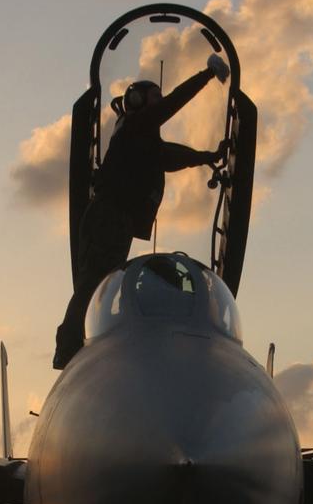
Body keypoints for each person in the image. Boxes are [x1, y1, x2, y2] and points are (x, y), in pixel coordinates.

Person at [53, 53, 231, 369]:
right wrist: (206, 76)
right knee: (95, 283)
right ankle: (69, 350)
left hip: (114, 220)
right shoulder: (135, 127)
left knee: (100, 283)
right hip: (108, 218)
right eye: (154, 98)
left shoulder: (140, 140)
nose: (159, 103)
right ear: (138, 101)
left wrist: (207, 157)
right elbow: (171, 108)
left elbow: (172, 156)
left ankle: (75, 349)